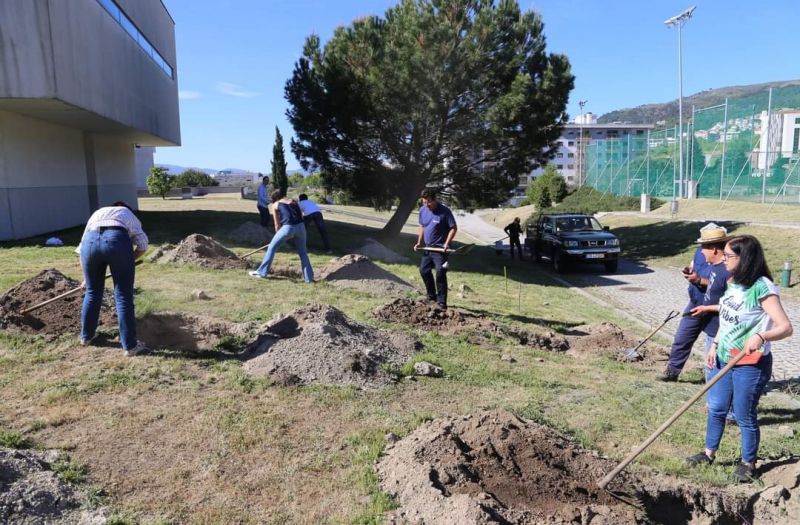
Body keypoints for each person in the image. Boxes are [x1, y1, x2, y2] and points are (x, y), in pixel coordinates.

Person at [685, 235, 792, 483]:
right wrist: (714, 344)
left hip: (750, 364)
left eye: (729, 256)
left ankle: (748, 463)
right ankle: (708, 453)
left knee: (744, 414)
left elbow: (786, 327)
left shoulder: (762, 287)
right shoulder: (733, 282)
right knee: (716, 408)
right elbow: (727, 315)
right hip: (724, 357)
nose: (723, 260)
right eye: (723, 254)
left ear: (745, 258)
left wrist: (762, 336)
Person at [657, 223, 731, 382]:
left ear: (714, 248)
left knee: (714, 343)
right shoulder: (700, 252)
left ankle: (715, 381)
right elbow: (693, 264)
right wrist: (689, 270)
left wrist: (699, 280)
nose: (701, 249)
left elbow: (718, 283)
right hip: (696, 302)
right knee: (682, 337)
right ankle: (672, 371)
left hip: (714, 307)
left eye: (703, 245)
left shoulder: (727, 263)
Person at [76, 202, 148, 357]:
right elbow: (142, 244)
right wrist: (128, 260)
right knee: (123, 295)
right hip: (116, 241)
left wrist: (86, 278)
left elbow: (82, 248)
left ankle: (86, 337)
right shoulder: (127, 213)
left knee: (92, 291)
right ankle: (130, 345)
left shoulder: (98, 213)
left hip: (89, 244)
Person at [249, 190, 314, 282]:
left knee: (272, 247)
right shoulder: (294, 201)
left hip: (288, 227)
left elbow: (277, 224)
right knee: (303, 253)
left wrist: (279, 236)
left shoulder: (275, 204)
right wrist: (294, 233)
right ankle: (309, 279)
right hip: (301, 227)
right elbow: (301, 216)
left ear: (275, 198)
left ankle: (262, 272)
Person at [414, 188, 457, 308]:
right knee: (424, 270)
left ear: (435, 199)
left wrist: (446, 243)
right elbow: (422, 225)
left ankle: (442, 301)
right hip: (428, 248)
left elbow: (453, 228)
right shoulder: (423, 210)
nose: (426, 204)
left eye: (429, 202)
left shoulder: (445, 211)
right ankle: (431, 296)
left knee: (440, 272)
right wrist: (419, 242)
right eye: (424, 202)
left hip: (440, 250)